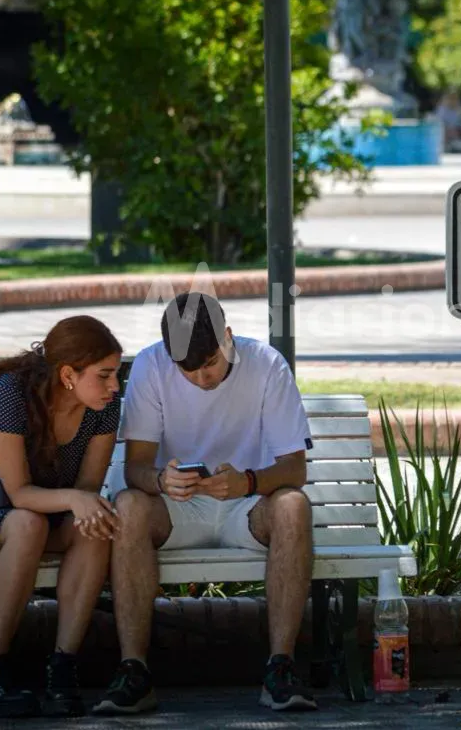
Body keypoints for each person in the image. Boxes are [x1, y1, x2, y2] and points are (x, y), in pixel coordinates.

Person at [94, 291, 317, 715]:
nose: (202, 378)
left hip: (247, 505)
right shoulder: (150, 364)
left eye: (210, 363)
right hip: (178, 506)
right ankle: (134, 670)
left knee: (293, 505)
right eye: (188, 371)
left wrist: (249, 481)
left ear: (228, 337)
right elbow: (135, 469)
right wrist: (160, 479)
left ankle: (281, 668)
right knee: (130, 505)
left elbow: (295, 470)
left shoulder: (267, 364)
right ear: (168, 355)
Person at [0, 315, 125, 719]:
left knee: (95, 526)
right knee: (27, 522)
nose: (115, 386)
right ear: (69, 374)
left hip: (39, 519)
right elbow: (18, 495)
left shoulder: (103, 407)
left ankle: (62, 668)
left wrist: (83, 505)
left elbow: (86, 489)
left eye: (116, 375)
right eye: (104, 375)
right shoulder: (11, 396)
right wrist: (74, 500)